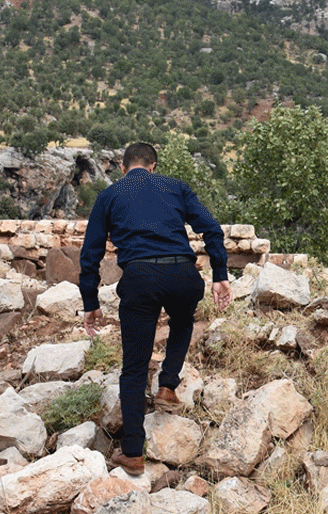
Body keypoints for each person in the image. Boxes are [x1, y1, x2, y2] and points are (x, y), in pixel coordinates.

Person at [80, 142, 232, 475]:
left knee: (133, 368)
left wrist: (90, 301)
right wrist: (220, 274)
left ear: (123, 168)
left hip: (140, 277)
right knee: (182, 322)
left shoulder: (109, 196)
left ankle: (133, 452)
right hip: (183, 273)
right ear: (153, 166)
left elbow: (90, 253)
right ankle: (167, 384)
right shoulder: (175, 187)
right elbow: (212, 228)